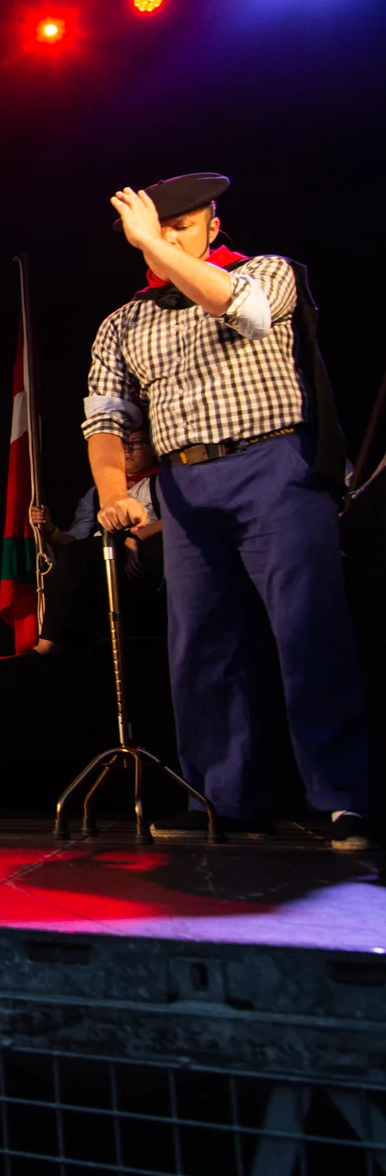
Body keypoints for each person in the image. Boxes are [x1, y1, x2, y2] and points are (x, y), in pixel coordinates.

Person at [88, 172, 370, 848]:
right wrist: (114, 493)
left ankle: (343, 797)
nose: (164, 239)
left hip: (275, 466)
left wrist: (157, 247)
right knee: (203, 643)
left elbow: (241, 311)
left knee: (307, 630)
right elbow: (105, 415)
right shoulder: (124, 320)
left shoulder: (265, 272)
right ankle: (227, 798)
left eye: (181, 227)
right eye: (156, 229)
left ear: (213, 226)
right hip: (185, 483)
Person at [14, 428, 164, 656]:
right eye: (122, 445)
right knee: (78, 554)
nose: (127, 451)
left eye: (135, 444)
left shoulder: (161, 482)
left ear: (152, 449)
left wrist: (137, 537)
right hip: (105, 551)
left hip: (149, 549)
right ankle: (49, 643)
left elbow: (177, 518)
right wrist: (50, 530)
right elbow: (75, 542)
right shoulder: (97, 493)